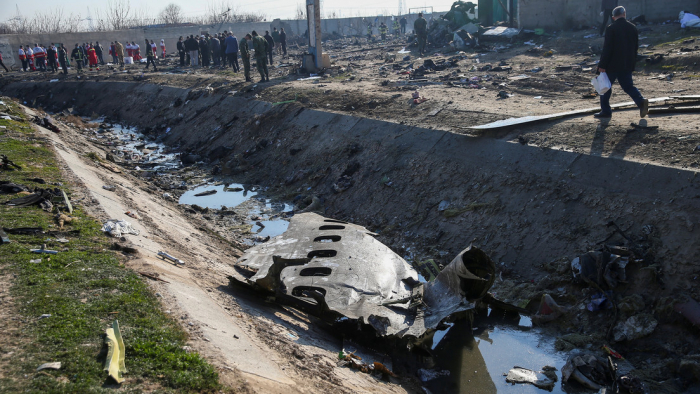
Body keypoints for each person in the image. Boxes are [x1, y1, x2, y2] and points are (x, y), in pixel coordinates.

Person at [595, 6, 648, 119]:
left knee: (605, 87)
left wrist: (602, 65)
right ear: (624, 14)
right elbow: (635, 47)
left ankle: (605, 111)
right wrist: (632, 62)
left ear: (613, 17)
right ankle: (641, 102)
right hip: (627, 64)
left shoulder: (611, 28)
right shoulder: (633, 27)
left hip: (612, 65)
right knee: (629, 86)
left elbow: (607, 48)